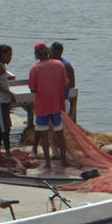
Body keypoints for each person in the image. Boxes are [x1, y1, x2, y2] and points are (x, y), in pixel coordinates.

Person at [27, 42, 68, 171]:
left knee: (44, 135)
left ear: (37, 55)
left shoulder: (35, 68)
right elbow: (65, 82)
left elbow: (32, 89)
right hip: (56, 104)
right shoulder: (59, 65)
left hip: (42, 106)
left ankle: (48, 163)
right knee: (59, 133)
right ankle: (64, 160)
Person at [50, 41, 75, 113]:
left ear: (58, 52)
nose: (50, 53)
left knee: (62, 119)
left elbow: (72, 84)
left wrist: (57, 86)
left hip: (62, 99)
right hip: (49, 98)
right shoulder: (48, 63)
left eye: (52, 51)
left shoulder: (66, 65)